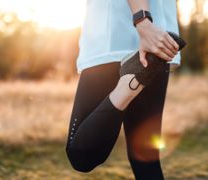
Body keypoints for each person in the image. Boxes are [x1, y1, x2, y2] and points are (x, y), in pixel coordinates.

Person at [65, 0, 183, 179]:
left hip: (111, 37)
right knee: (145, 160)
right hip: (159, 42)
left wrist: (143, 22)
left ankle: (127, 87)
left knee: (81, 156)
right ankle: (132, 82)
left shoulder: (140, 25)